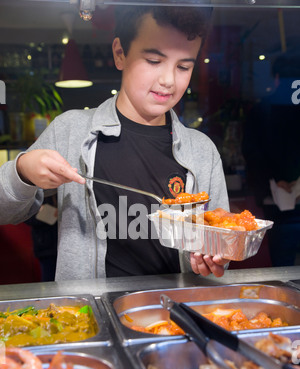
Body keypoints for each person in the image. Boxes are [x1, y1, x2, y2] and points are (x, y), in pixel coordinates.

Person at [0, 6, 229, 281]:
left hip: (175, 314)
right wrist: (23, 171)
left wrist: (214, 256)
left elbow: (221, 246)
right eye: (154, 61)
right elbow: (6, 211)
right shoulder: (71, 131)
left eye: (183, 67)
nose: (168, 80)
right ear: (120, 53)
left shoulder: (202, 151)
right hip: (92, 317)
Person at [242, 53, 300, 266]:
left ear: (275, 78)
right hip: (281, 198)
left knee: (283, 266)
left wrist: (274, 179)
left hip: (277, 200)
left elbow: (251, 152)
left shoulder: (261, 109)